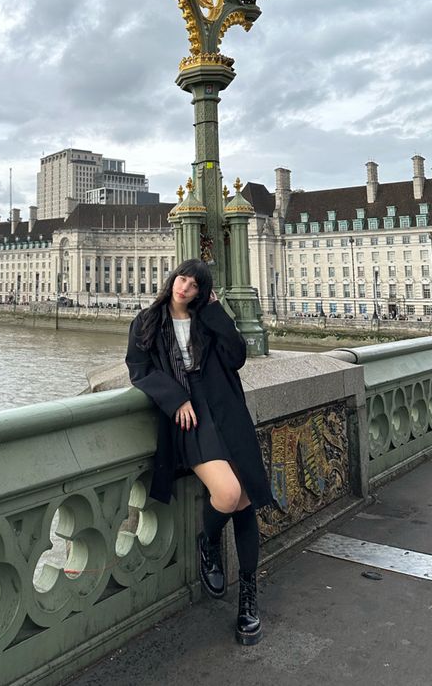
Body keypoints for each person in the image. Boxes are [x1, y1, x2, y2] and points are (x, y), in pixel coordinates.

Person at [125, 258, 273, 646]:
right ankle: (207, 542)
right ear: (173, 278)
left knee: (245, 502)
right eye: (182, 278)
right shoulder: (146, 322)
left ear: (201, 293)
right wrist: (174, 399)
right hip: (189, 417)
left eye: (193, 285)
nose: (183, 287)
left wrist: (216, 311)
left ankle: (248, 599)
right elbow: (138, 369)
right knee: (228, 493)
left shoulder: (207, 319)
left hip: (226, 409)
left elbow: (237, 356)